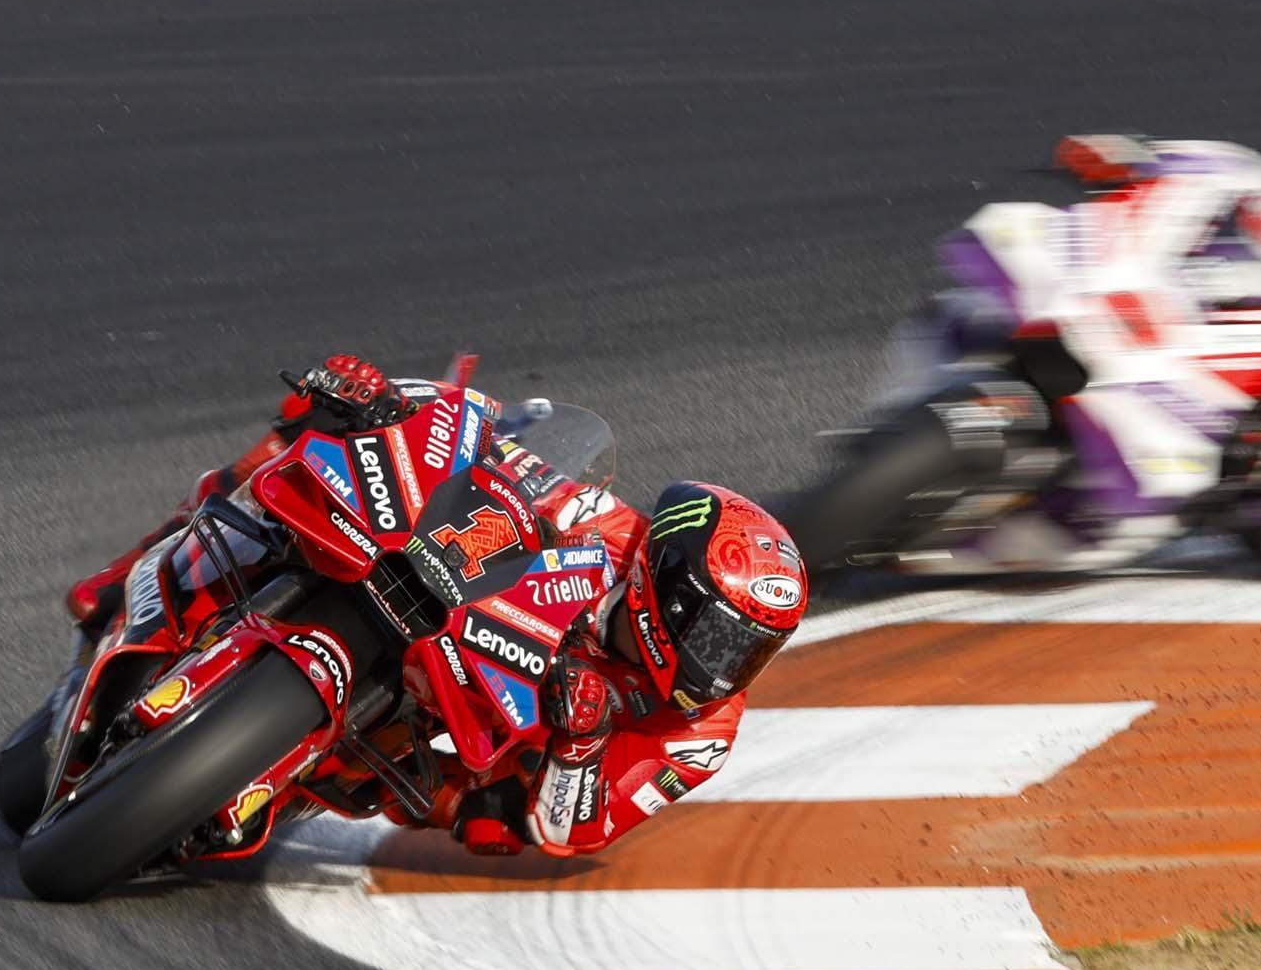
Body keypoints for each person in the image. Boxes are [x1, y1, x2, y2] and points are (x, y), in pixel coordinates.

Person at [65, 354, 809, 858]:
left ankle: (267, 774)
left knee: (479, 815)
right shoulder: (609, 531)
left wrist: (579, 740)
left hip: (482, 745)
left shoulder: (703, 729)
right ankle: (128, 573)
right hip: (442, 607)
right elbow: (494, 448)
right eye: (720, 636)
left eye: (752, 650)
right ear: (669, 587)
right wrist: (388, 406)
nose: (728, 667)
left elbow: (579, 830)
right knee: (299, 436)